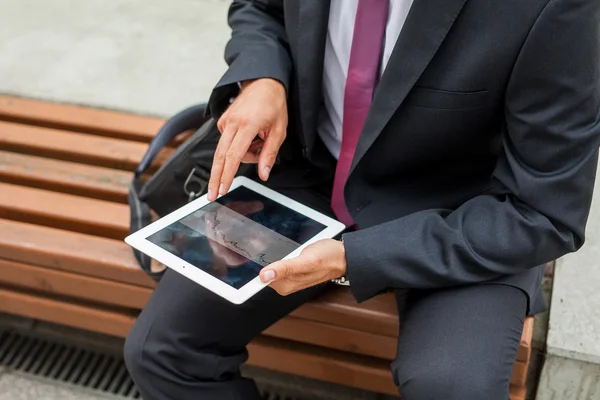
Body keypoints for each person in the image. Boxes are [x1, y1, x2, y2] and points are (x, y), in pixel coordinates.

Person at [124, 0, 600, 398]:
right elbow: (260, 9)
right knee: (162, 351)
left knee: (451, 388)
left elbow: (543, 213)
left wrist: (353, 258)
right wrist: (262, 79)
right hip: (309, 181)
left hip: (464, 213)